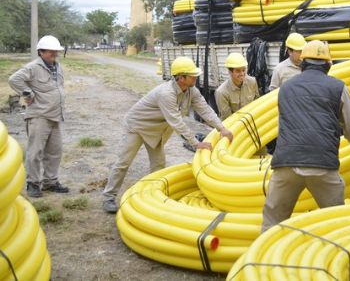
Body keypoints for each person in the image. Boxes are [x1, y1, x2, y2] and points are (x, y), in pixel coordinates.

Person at [261, 40, 350, 232]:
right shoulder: (338, 87)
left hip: (286, 163)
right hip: (322, 165)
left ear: (302, 64)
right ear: (329, 64)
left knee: (272, 222)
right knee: (335, 223)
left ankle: (263, 258)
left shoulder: (285, 89)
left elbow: (284, 124)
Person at [102, 57, 233, 213]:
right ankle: (109, 197)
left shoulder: (192, 91)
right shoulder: (166, 93)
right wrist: (196, 143)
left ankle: (153, 196)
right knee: (124, 162)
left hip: (157, 130)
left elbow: (205, 110)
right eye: (192, 75)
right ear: (181, 77)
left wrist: (221, 128)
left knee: (158, 165)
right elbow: (176, 122)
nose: (196, 77)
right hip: (137, 126)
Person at [8, 35, 70, 198]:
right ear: (41, 52)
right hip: (38, 116)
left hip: (55, 115)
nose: (54, 54)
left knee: (55, 151)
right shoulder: (33, 67)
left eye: (55, 51)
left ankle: (51, 181)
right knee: (35, 151)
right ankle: (33, 184)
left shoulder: (57, 66)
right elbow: (14, 79)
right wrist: (27, 92)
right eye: (50, 51)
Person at [215, 52, 260, 120]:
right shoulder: (222, 92)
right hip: (235, 125)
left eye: (243, 70)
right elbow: (228, 119)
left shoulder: (252, 82)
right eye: (238, 71)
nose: (242, 73)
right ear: (230, 72)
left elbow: (257, 104)